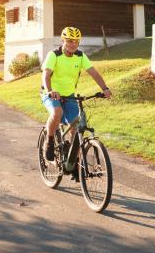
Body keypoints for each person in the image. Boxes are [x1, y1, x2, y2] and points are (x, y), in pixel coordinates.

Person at [41, 26, 111, 173]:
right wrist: (50, 91)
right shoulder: (54, 55)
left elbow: (94, 73)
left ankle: (73, 162)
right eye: (69, 41)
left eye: (76, 41)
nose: (73, 44)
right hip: (51, 93)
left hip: (70, 95)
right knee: (57, 112)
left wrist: (105, 88)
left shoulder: (80, 56)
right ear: (63, 41)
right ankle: (50, 140)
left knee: (76, 126)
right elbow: (46, 75)